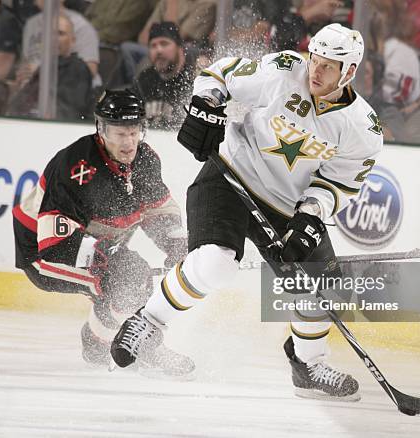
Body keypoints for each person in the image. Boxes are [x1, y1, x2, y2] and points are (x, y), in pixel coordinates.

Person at [110, 23, 384, 401]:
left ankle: (308, 365)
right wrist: (206, 105)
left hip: (288, 207)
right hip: (230, 177)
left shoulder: (363, 129)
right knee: (216, 263)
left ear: (350, 72)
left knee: (320, 287)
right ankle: (148, 321)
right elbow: (219, 75)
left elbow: (339, 183)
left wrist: (309, 218)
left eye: (328, 67)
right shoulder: (285, 71)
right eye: (314, 60)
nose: (315, 72)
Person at [12, 89, 194, 378]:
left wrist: (176, 247)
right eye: (120, 133)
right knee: (129, 275)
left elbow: (157, 212)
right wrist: (106, 256)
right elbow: (53, 241)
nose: (129, 142)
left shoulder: (146, 160)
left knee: (128, 276)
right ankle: (144, 347)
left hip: (97, 245)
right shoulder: (75, 165)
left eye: (134, 132)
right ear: (101, 130)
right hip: (42, 252)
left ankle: (97, 343)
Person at [6, 13, 92, 120]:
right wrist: (17, 88)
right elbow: (14, 109)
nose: (54, 38)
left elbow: (66, 111)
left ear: (72, 41)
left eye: (60, 33)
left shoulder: (77, 68)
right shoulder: (42, 68)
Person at [133, 22, 195, 130]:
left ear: (179, 47)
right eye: (153, 46)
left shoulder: (193, 78)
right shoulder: (144, 79)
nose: (159, 50)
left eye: (164, 43)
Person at [21, 0, 100, 79]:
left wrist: (41, 72)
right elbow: (26, 62)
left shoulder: (81, 26)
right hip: (32, 86)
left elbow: (90, 71)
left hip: (71, 87)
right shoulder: (30, 24)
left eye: (60, 33)